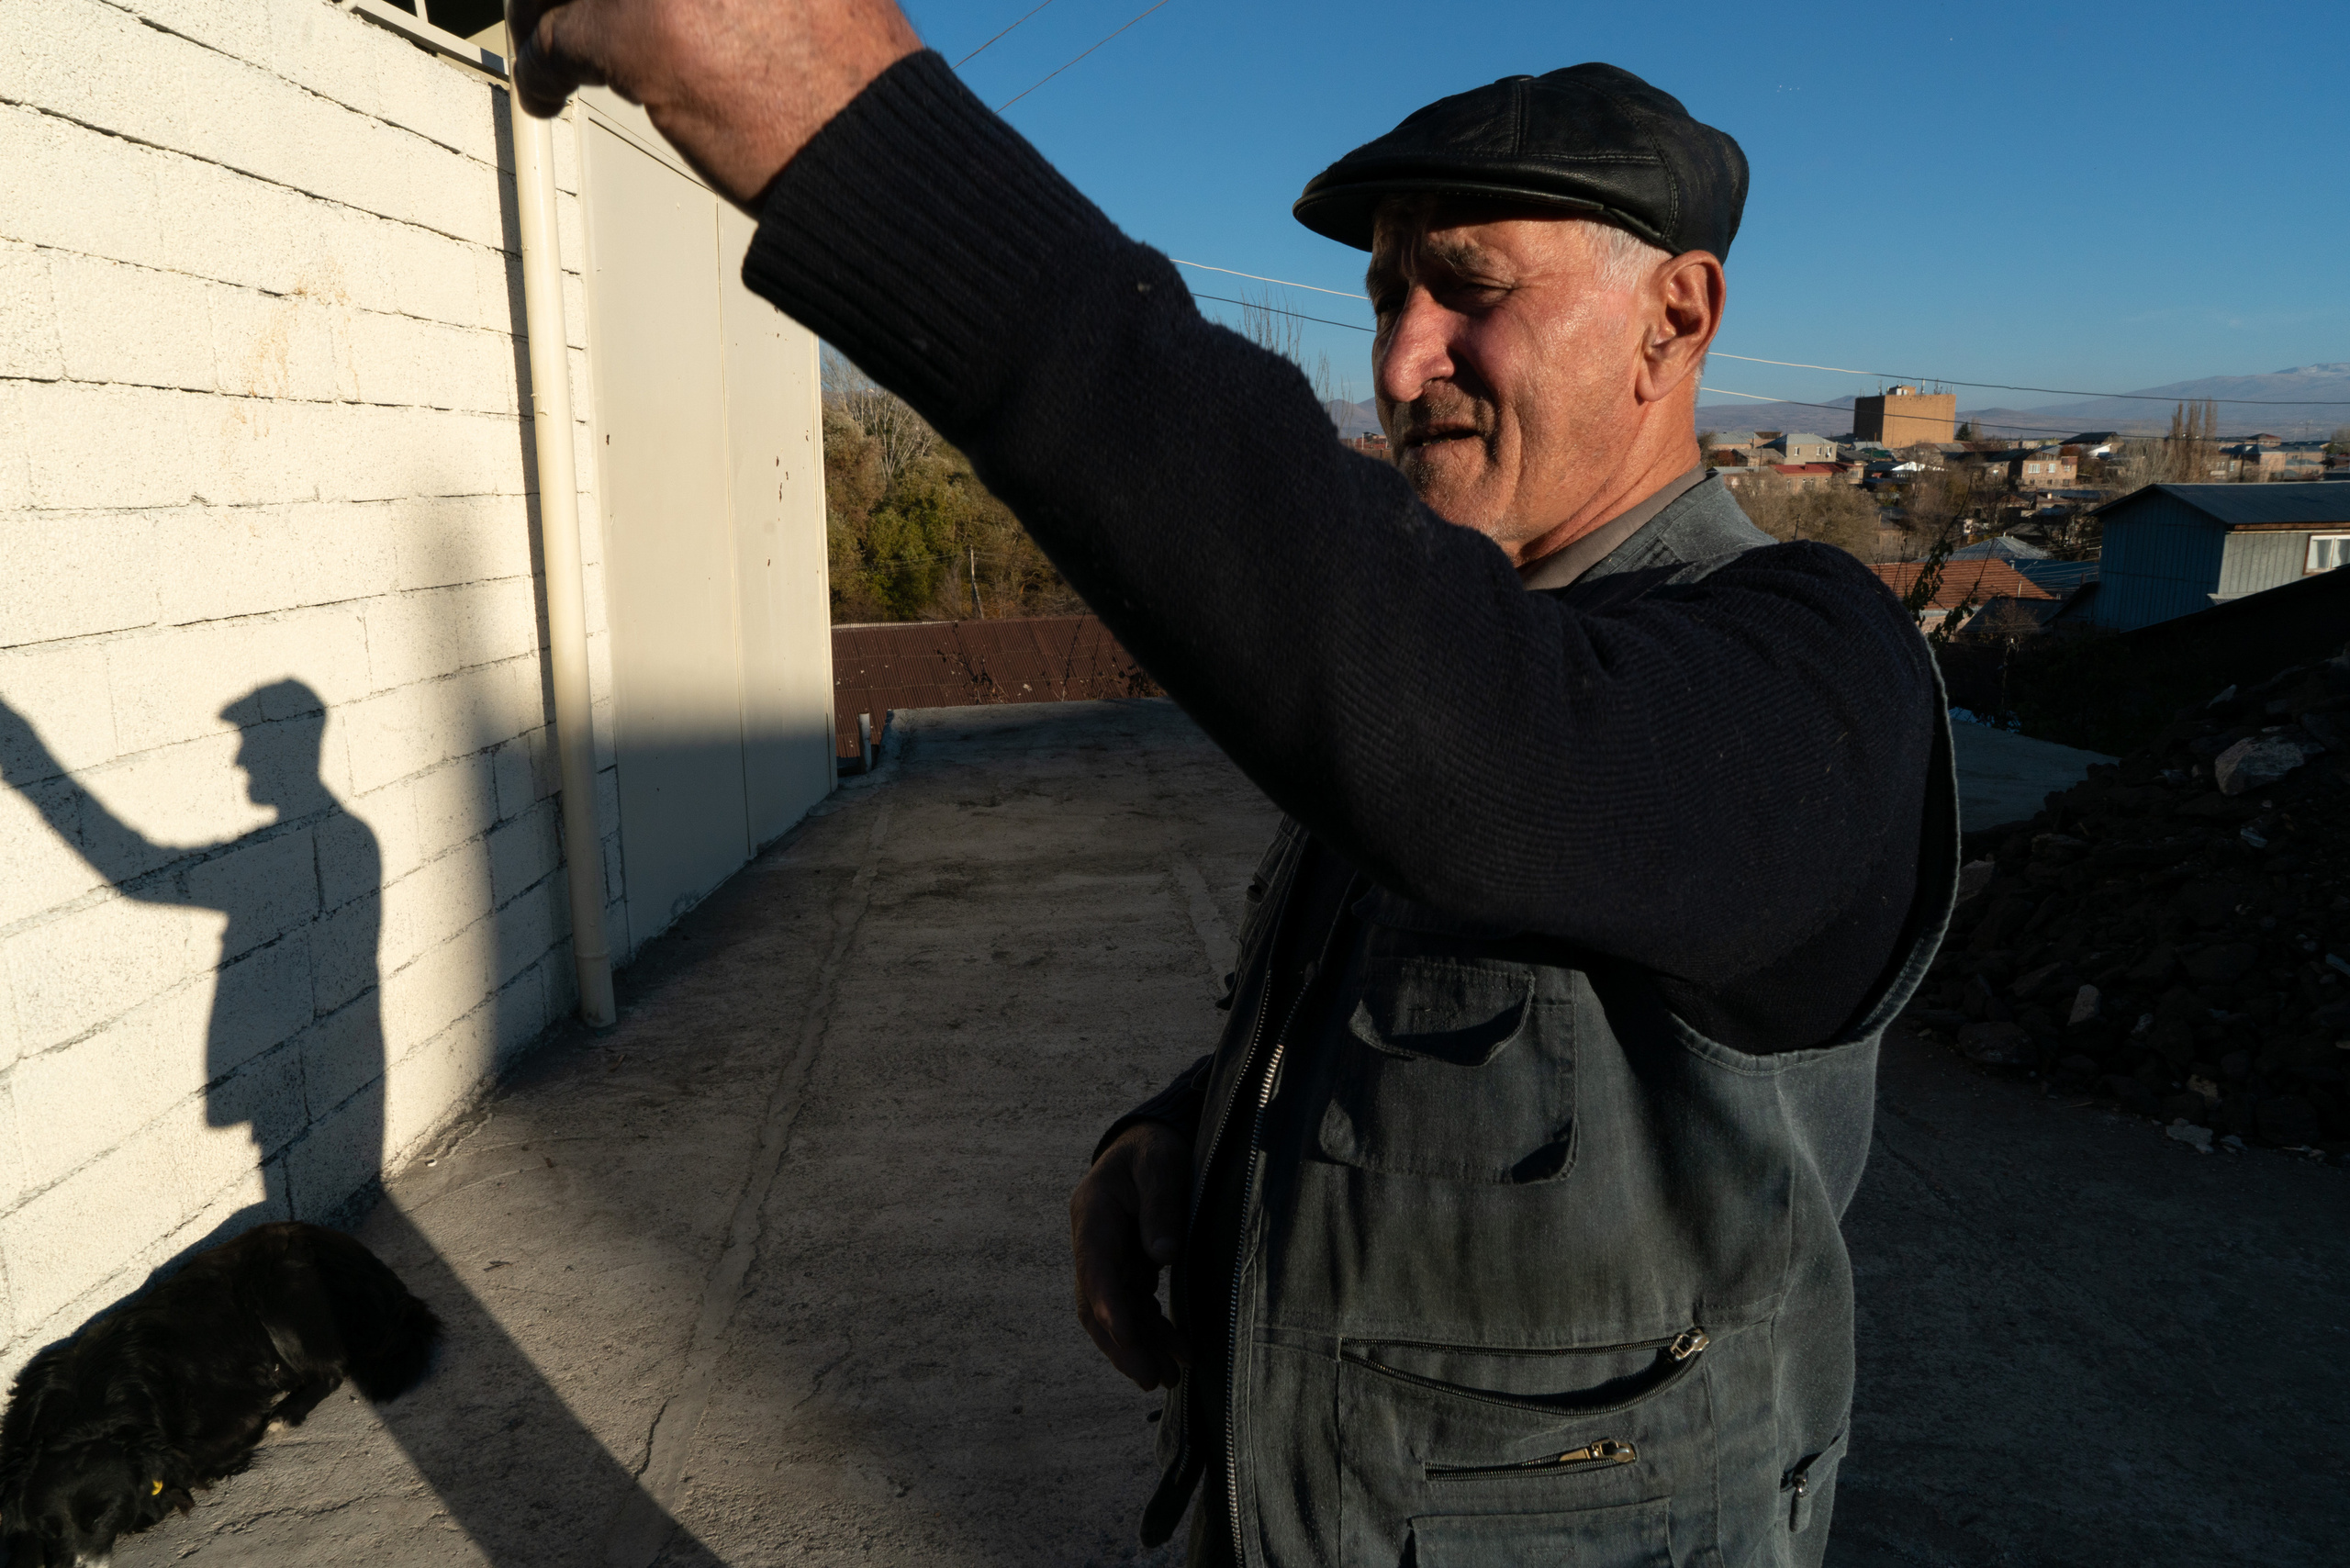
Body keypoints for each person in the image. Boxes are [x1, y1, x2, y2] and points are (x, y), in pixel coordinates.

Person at [508, 6, 1958, 1563]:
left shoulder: (1812, 674)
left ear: (1676, 319)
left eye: (1465, 292)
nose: (1402, 362)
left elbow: (1483, 765)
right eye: (1387, 298)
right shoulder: (1484, 641)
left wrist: (840, 122)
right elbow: (1435, 1006)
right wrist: (1185, 1139)